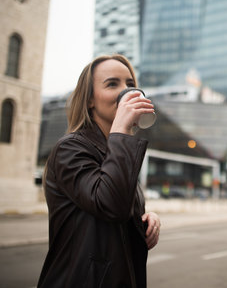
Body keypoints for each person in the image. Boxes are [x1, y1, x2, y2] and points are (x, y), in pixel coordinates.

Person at [38, 54, 160, 288]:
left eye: (130, 85)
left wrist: (145, 219)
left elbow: (117, 211)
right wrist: (122, 130)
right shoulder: (70, 148)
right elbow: (109, 204)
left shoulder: (116, 151)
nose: (126, 92)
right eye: (112, 84)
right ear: (90, 99)